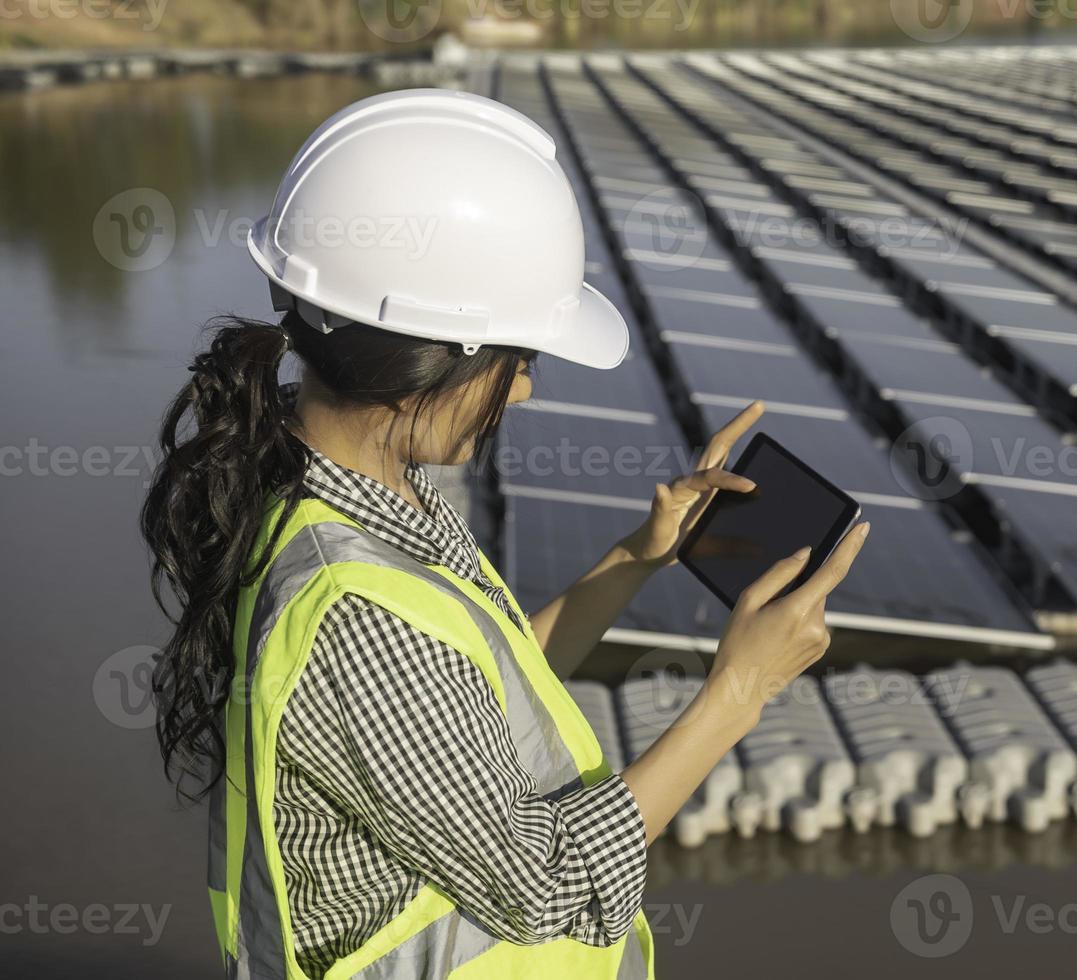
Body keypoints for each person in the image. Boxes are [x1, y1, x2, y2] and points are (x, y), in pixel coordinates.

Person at [139, 89, 867, 980]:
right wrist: (740, 690)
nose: (522, 391)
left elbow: (479, 689)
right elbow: (543, 883)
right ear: (426, 355)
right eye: (516, 361)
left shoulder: (341, 486)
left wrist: (636, 556)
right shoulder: (353, 610)